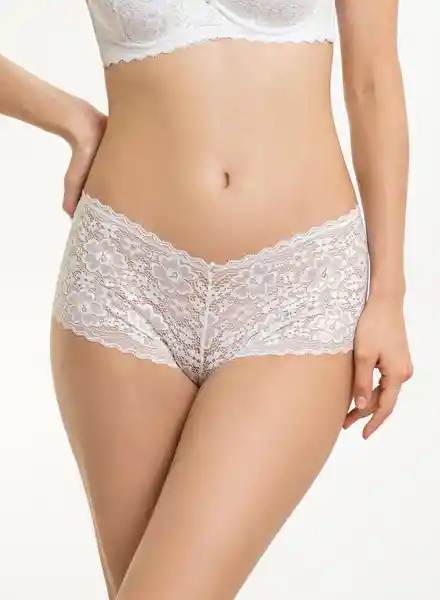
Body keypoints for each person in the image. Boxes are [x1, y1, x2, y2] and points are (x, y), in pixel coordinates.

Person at [0, 1, 414, 598]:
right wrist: (70, 118)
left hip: (300, 287)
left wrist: (389, 293)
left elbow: (373, 81)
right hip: (123, 285)